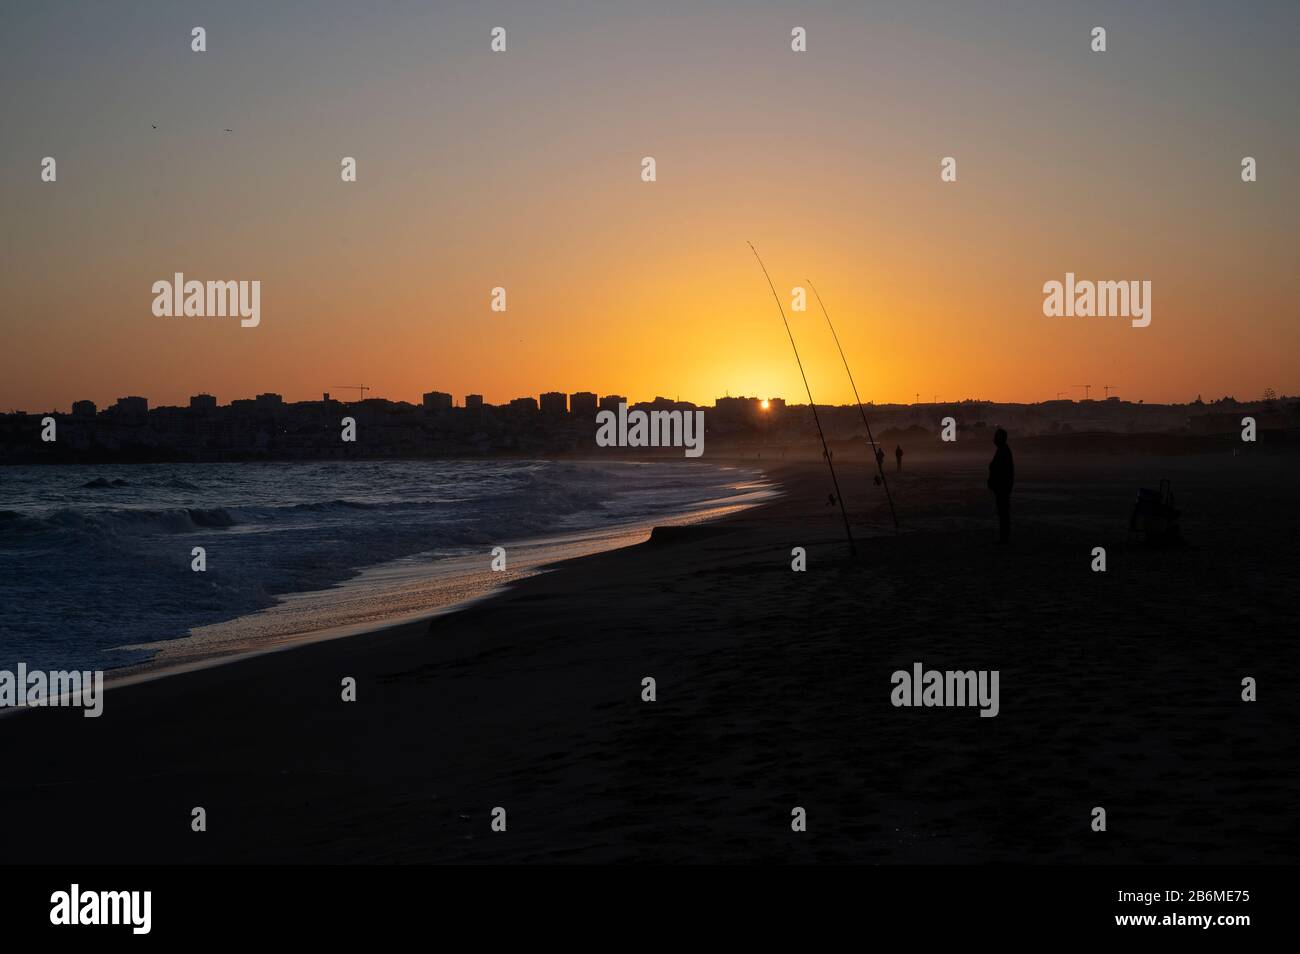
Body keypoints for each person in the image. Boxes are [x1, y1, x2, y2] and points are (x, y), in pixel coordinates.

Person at [987, 428, 1014, 544]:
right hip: (1002, 487)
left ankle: (1004, 539)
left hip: (1002, 488)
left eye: (996, 436)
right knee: (1002, 513)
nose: (994, 439)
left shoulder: (1003, 451)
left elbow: (1002, 471)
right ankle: (1004, 538)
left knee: (1003, 513)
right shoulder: (1003, 450)